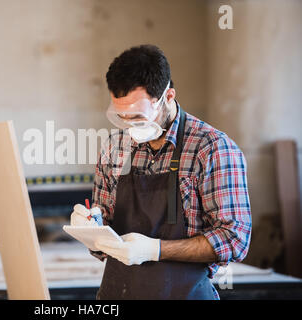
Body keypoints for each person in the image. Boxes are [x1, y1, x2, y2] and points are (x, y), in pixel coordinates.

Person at [70, 44, 252, 300]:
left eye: (139, 116)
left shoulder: (211, 149)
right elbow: (106, 231)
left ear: (168, 97)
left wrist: (156, 250)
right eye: (122, 116)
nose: (130, 126)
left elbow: (235, 239)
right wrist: (92, 230)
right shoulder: (115, 148)